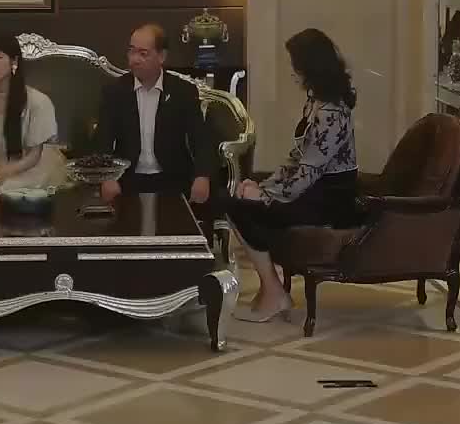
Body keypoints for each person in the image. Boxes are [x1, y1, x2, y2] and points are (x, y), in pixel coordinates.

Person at [224, 27, 358, 323]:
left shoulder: (332, 113)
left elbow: (308, 173)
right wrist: (264, 185)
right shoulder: (315, 101)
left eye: (295, 64)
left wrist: (265, 195)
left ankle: (274, 293)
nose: (292, 72)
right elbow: (296, 159)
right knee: (239, 200)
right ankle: (272, 290)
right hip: (312, 190)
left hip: (329, 199)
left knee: (239, 207)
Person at [95, 23, 213, 211]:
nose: (134, 59)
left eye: (143, 53)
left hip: (172, 179)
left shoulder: (183, 92)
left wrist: (202, 176)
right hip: (127, 179)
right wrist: (107, 178)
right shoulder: (115, 92)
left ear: (162, 56)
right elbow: (103, 140)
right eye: (131, 51)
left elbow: (201, 139)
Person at [0, 33, 62, 195]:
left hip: (29, 171)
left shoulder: (38, 102)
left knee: (7, 192)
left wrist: (5, 172)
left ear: (14, 62)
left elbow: (34, 157)